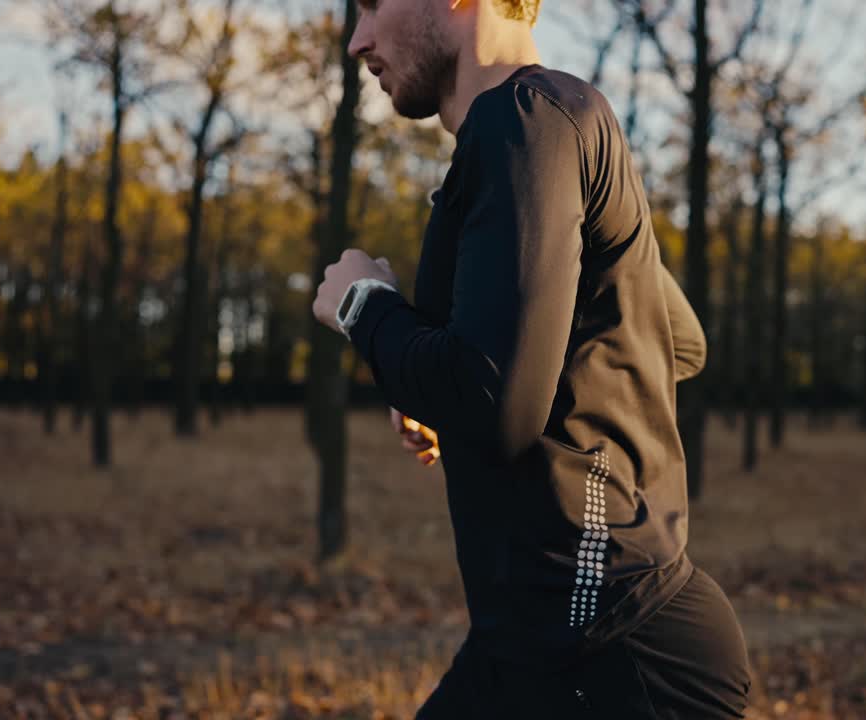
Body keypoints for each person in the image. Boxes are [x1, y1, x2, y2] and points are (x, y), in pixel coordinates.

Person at [311, 0, 752, 717]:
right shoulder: (547, 129)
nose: (358, 40)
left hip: (617, 655)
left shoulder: (524, 120)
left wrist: (365, 306)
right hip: (530, 647)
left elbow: (495, 402)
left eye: (371, 4)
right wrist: (438, 370)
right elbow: (678, 342)